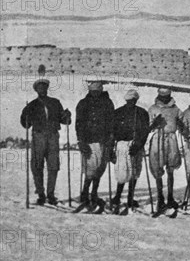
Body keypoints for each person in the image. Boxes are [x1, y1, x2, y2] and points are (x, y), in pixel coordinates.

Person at [20, 78, 71, 205]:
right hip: (38, 137)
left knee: (53, 166)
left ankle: (51, 194)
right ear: (36, 90)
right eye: (39, 88)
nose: (42, 89)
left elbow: (64, 120)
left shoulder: (55, 102)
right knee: (37, 166)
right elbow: (25, 124)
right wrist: (25, 117)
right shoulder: (31, 105)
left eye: (44, 87)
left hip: (53, 136)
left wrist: (67, 116)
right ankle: (41, 194)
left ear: (47, 88)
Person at [75, 81, 115, 209]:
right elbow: (79, 124)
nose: (95, 94)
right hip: (88, 141)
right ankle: (85, 192)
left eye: (97, 92)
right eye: (93, 92)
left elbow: (111, 123)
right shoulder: (83, 103)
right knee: (90, 168)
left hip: (103, 140)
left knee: (100, 168)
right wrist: (81, 141)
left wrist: (111, 141)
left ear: (101, 91)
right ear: (89, 91)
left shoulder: (107, 103)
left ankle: (94, 192)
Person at [111, 89, 150, 209]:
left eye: (133, 100)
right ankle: (117, 196)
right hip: (122, 145)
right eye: (129, 101)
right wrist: (111, 149)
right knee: (122, 172)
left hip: (136, 145)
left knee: (134, 172)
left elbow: (145, 131)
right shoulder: (118, 112)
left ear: (136, 100)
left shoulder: (142, 113)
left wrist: (139, 145)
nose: (131, 103)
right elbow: (112, 131)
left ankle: (130, 198)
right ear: (126, 100)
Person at [148, 88, 183, 211]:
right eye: (162, 96)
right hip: (158, 138)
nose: (164, 98)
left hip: (171, 139)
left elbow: (182, 125)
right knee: (157, 167)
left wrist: (180, 123)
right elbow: (148, 127)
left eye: (166, 96)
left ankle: (170, 197)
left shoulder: (176, 109)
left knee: (171, 168)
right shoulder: (153, 108)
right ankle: (160, 197)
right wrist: (155, 123)